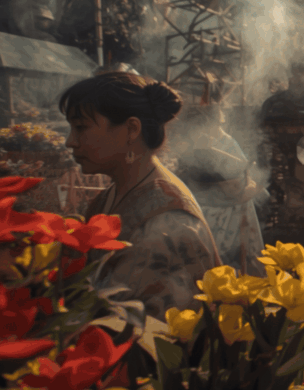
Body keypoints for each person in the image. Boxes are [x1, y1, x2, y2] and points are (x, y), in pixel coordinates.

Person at [61, 72, 222, 318]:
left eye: (81, 127)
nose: (70, 142)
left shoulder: (167, 221)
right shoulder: (109, 197)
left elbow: (161, 335)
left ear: (131, 129)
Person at [175, 106, 267, 277]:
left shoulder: (218, 143)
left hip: (208, 211)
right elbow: (237, 186)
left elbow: (239, 177)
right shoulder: (203, 149)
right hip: (215, 214)